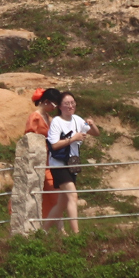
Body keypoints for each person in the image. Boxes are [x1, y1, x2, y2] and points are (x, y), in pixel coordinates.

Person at [45, 92, 92, 233]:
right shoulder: (56, 122)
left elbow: (94, 132)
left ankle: (42, 231)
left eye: (72, 102)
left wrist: (92, 124)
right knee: (73, 196)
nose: (70, 106)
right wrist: (73, 138)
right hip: (59, 164)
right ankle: (77, 236)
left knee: (62, 204)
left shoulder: (77, 119)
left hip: (73, 162)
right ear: (60, 106)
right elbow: (53, 145)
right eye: (67, 103)